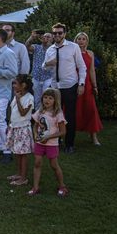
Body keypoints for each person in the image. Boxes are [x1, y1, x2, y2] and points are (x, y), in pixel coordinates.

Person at [42, 23, 87, 154]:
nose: (57, 35)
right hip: (55, 88)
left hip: (70, 86)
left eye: (60, 33)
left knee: (70, 116)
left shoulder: (73, 47)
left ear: (65, 34)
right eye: (55, 33)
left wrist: (81, 84)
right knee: (54, 115)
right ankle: (56, 141)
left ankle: (69, 144)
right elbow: (44, 67)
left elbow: (82, 67)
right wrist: (48, 63)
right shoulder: (50, 49)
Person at [29, 88, 69, 196]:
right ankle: (35, 187)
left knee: (54, 165)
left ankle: (62, 186)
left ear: (55, 100)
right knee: (37, 163)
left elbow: (63, 132)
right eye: (45, 97)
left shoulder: (58, 114)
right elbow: (35, 125)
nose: (47, 100)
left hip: (51, 144)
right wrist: (36, 135)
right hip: (39, 143)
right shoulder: (40, 111)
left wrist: (49, 136)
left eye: (50, 98)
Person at [74, 32, 103, 146]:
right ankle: (66, 135)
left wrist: (95, 86)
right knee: (73, 110)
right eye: (79, 39)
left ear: (87, 41)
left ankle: (94, 137)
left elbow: (91, 71)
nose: (81, 41)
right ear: (75, 41)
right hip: (74, 83)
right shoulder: (72, 52)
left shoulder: (90, 53)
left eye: (83, 39)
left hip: (87, 85)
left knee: (91, 110)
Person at [5, 75, 34, 186]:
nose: (13, 85)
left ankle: (23, 178)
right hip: (15, 127)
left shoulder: (29, 98)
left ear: (23, 85)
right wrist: (10, 125)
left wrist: (17, 99)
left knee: (23, 154)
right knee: (17, 152)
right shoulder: (17, 95)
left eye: (15, 83)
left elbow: (23, 113)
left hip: (23, 129)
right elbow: (13, 112)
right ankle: (19, 173)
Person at [26, 30, 53, 110]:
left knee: (47, 99)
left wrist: (47, 44)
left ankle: (46, 117)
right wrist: (32, 37)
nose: (46, 38)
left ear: (52, 39)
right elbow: (27, 46)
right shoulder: (36, 47)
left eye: (48, 37)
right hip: (36, 77)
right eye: (45, 36)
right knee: (37, 99)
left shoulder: (53, 49)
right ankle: (38, 118)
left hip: (48, 77)